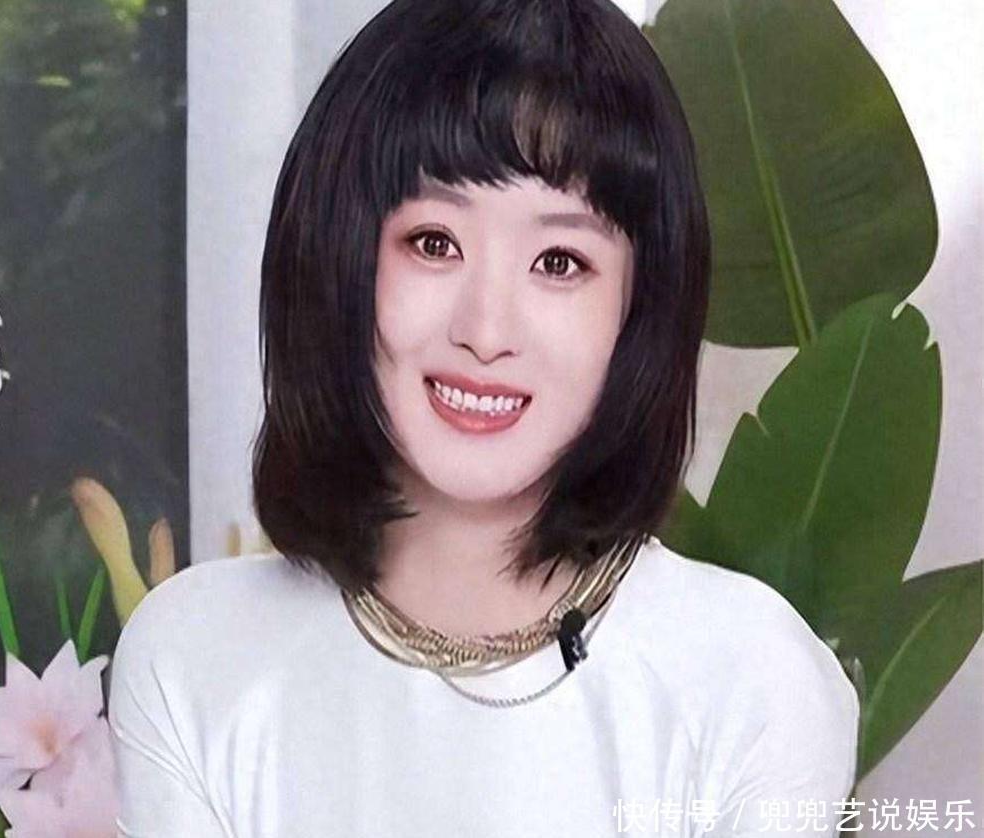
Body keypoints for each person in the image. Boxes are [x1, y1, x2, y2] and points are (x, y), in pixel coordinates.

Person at [108, 0, 859, 835]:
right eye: (434, 243)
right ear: (338, 257)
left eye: (559, 261)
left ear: (638, 308)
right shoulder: (195, 659)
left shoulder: (751, 681)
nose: (486, 330)